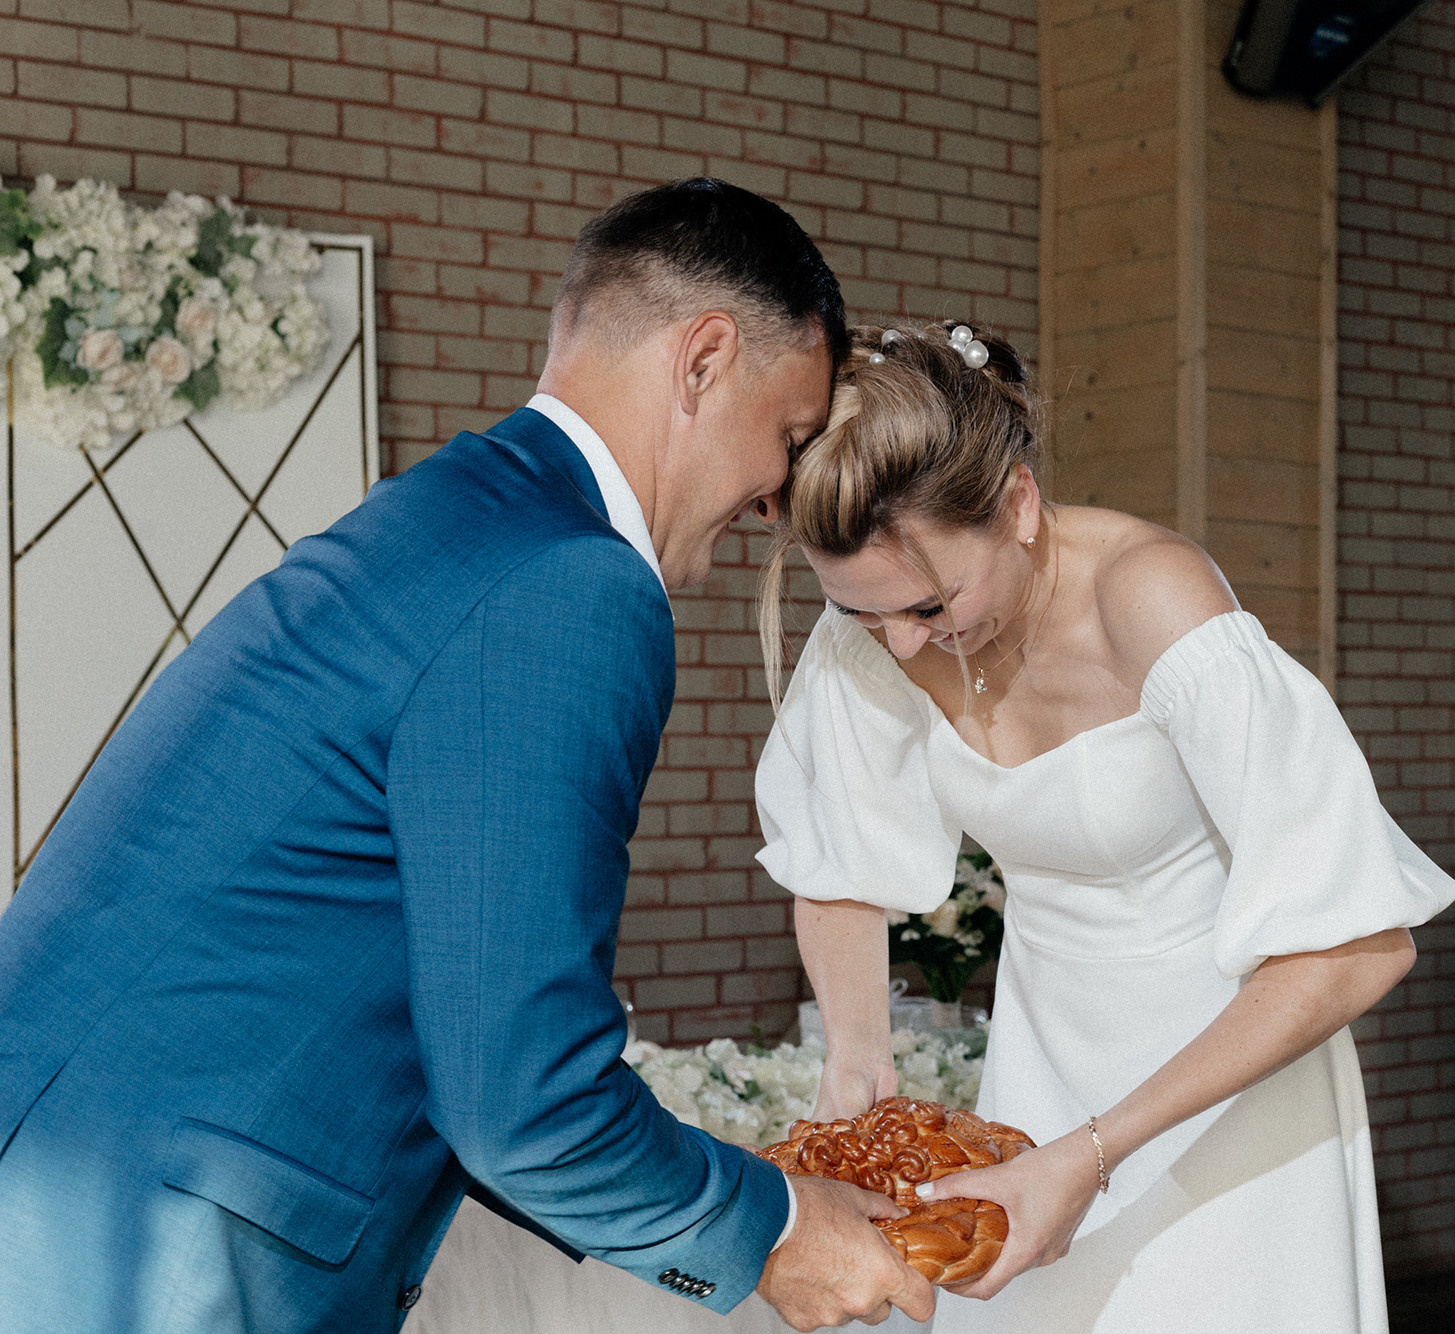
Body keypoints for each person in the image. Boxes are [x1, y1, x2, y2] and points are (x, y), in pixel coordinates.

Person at [0, 180, 935, 1334]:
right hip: (152, 1248)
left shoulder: (451, 516)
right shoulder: (573, 584)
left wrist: (702, 1178)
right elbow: (522, 1100)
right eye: (788, 439)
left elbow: (463, 1034)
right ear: (700, 361)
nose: (774, 502)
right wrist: (771, 1233)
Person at [751, 322, 1455, 1332]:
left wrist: (1093, 1152)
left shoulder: (1155, 602)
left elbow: (1356, 946)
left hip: (1227, 1074)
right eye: (867, 618)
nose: (901, 643)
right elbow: (838, 864)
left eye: (929, 605)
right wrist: (857, 1059)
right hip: (1042, 1067)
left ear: (1019, 504)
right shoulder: (875, 617)